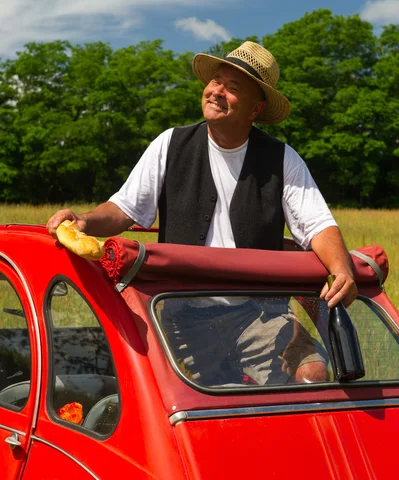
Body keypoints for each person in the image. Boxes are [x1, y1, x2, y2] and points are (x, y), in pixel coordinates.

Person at [47, 41, 357, 385]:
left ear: (255, 110)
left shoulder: (282, 159)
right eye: (216, 81)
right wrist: (86, 221)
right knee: (181, 401)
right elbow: (124, 209)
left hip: (260, 316)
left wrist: (342, 270)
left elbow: (317, 224)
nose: (217, 91)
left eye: (233, 87)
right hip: (181, 313)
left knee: (312, 373)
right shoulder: (170, 144)